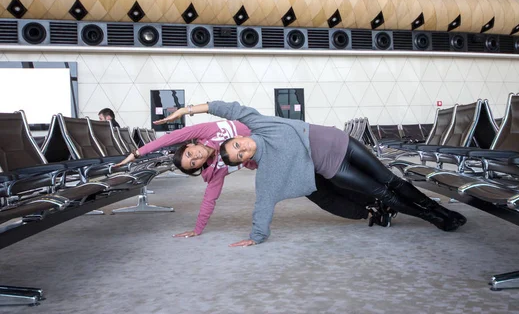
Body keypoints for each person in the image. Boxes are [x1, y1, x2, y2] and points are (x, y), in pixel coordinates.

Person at [158, 101, 467, 247]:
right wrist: (255, 237)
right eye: (240, 155)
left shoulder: (258, 123)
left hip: (342, 142)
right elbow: (263, 205)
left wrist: (186, 110)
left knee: (393, 181)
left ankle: (438, 208)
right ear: (243, 160)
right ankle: (435, 218)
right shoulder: (266, 171)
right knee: (383, 193)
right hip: (336, 168)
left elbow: (227, 108)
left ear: (238, 136)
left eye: (238, 145)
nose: (243, 149)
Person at [117, 119, 394, 238]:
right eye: (193, 162)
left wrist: (136, 153)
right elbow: (209, 200)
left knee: (336, 177)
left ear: (190, 144)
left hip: (290, 143)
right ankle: (368, 211)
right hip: (280, 165)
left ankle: (383, 199)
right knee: (320, 194)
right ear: (197, 168)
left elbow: (170, 137)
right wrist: (198, 229)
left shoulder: (206, 130)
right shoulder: (217, 170)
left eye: (190, 152)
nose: (196, 156)